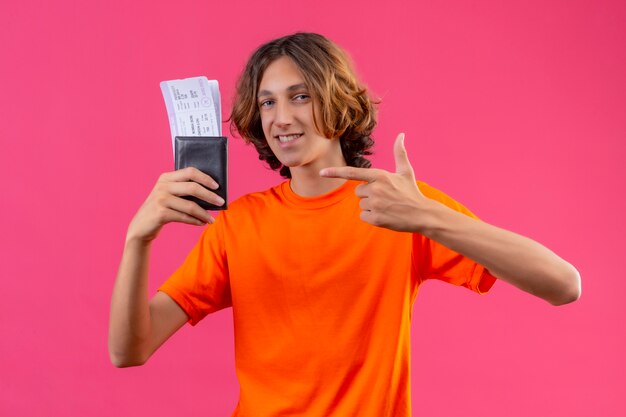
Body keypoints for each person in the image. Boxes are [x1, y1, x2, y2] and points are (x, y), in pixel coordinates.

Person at [109, 32, 581, 416]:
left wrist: (430, 218)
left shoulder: (398, 208)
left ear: (338, 101)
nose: (282, 118)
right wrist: (138, 239)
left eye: (300, 96)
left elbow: (563, 284)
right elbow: (129, 350)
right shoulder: (239, 225)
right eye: (268, 102)